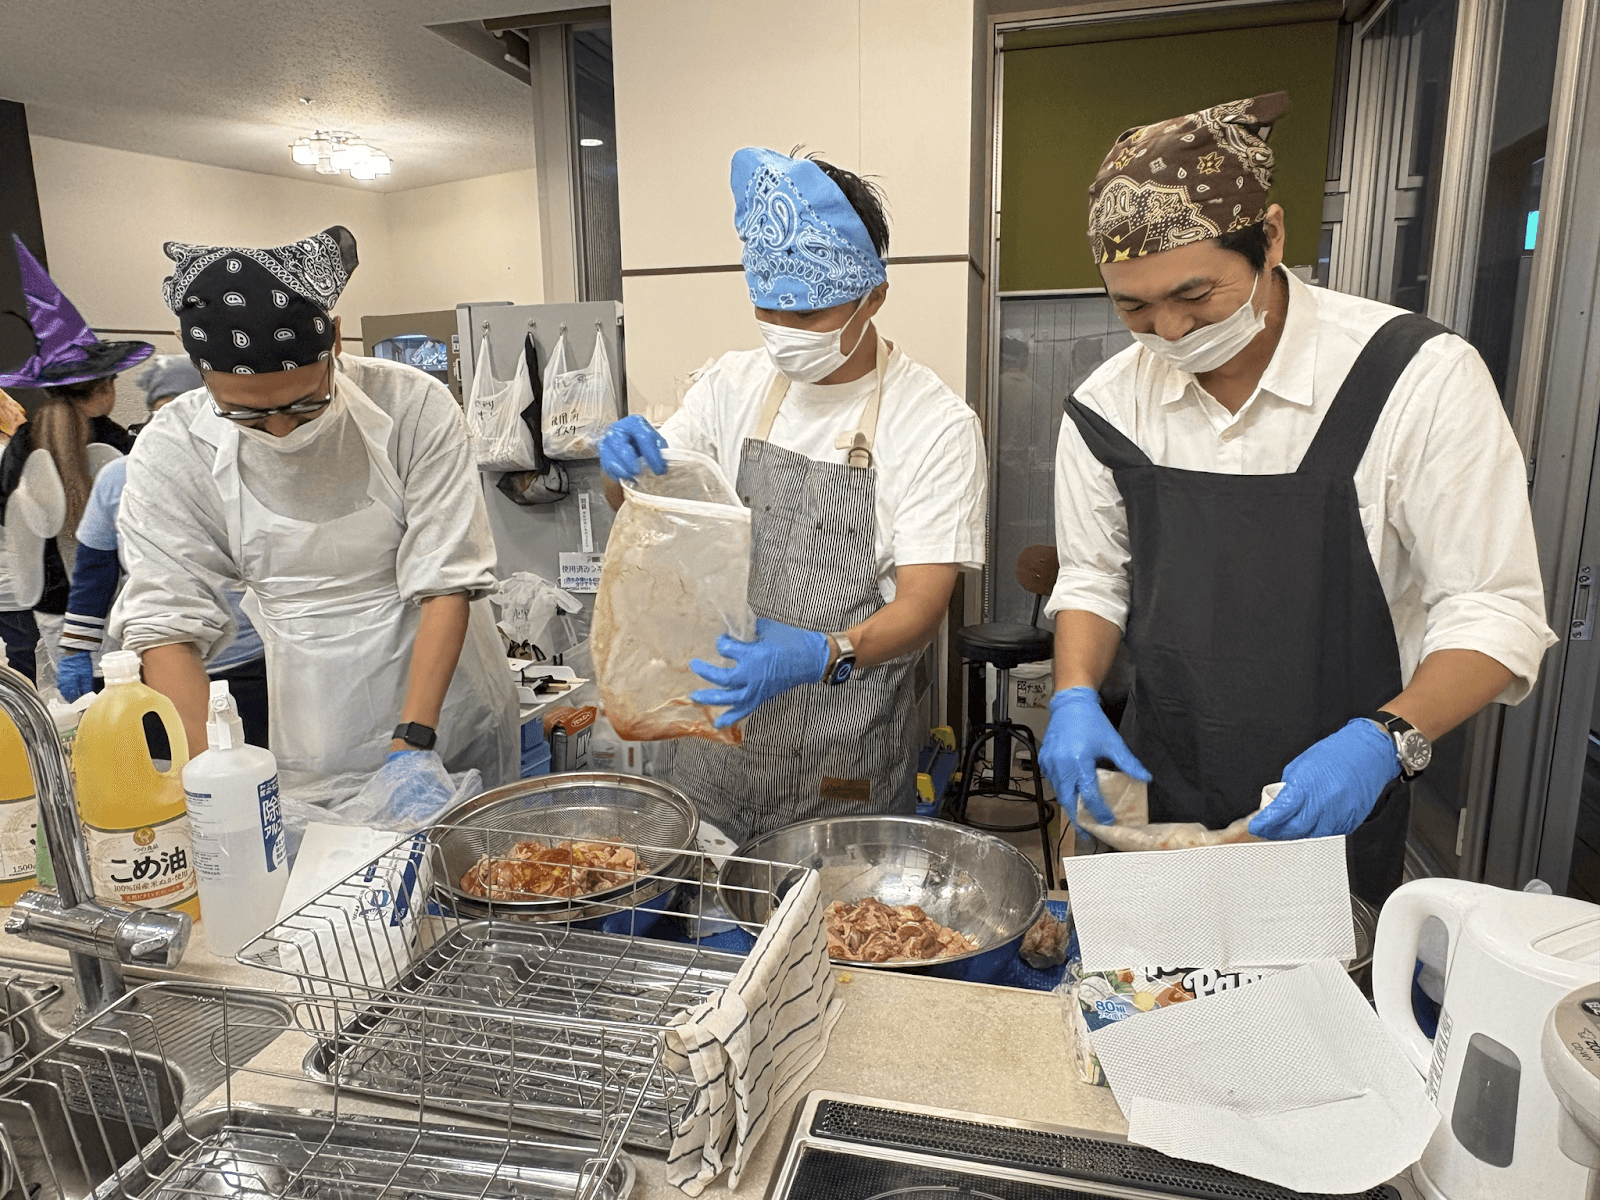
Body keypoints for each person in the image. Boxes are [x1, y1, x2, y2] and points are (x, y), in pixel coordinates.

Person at [1039, 93, 1556, 906]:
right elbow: (1094, 578)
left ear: (1271, 238)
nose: (1169, 333)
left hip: (1332, 800)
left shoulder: (1413, 379)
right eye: (1134, 308)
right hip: (1160, 777)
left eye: (1195, 296)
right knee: (1138, 1011)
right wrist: (1072, 692)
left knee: (1304, 1016)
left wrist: (1385, 743)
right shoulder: (1108, 406)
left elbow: (1495, 608)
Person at [598, 148, 987, 842]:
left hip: (845, 771)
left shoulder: (934, 423)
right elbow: (642, 510)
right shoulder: (729, 385)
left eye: (809, 315)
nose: (785, 332)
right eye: (768, 308)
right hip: (714, 758)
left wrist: (819, 653)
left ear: (875, 296)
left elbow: (922, 608)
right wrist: (619, 467)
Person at [109, 226, 517, 797]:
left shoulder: (412, 405)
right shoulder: (174, 448)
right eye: (247, 416)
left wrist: (413, 742)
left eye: (305, 405)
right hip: (313, 707)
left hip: (446, 698)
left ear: (337, 343)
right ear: (204, 379)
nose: (280, 431)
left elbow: (446, 579)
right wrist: (212, 786)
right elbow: (167, 622)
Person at [0, 235, 149, 682]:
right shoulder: (118, 443)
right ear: (104, 389)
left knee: (86, 716)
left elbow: (8, 515)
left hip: (49, 603)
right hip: (118, 596)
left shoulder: (23, 440)